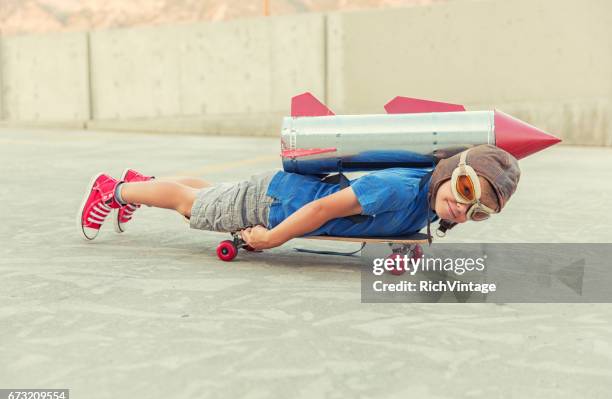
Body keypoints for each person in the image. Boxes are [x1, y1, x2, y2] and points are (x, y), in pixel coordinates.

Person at [77, 145, 520, 249]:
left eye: (478, 212)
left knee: (209, 193)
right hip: (277, 205)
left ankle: (141, 183)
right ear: (450, 172)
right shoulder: (400, 188)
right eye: (466, 191)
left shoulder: (426, 197)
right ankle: (114, 191)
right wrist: (271, 239)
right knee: (189, 204)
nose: (464, 208)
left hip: (281, 196)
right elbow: (324, 209)